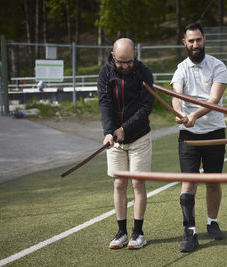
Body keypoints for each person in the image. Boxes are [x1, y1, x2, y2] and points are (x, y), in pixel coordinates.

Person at [170, 22, 227, 253]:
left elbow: (214, 100)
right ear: (185, 42)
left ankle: (212, 222)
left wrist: (193, 114)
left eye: (198, 40)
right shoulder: (180, 68)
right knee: (189, 182)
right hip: (189, 135)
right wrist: (179, 113)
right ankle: (190, 231)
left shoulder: (218, 65)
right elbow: (176, 95)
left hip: (214, 132)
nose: (195, 44)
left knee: (213, 181)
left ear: (204, 40)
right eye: (190, 41)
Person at [97, 38, 154, 250]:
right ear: (113, 56)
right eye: (120, 62)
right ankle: (121, 232)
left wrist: (124, 129)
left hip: (139, 137)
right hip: (115, 140)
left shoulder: (144, 73)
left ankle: (138, 233)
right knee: (119, 183)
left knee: (137, 183)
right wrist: (108, 132)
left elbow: (146, 107)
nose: (125, 66)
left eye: (129, 62)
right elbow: (105, 103)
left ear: (135, 54)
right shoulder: (105, 73)